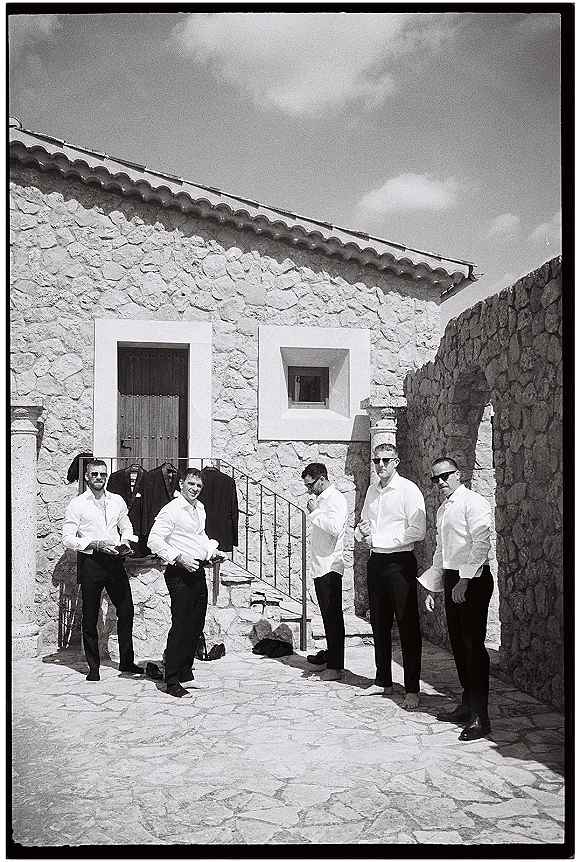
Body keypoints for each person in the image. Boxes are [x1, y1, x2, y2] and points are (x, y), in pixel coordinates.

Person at [419, 457, 493, 741]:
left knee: (473, 647)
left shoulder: (474, 502)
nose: (440, 482)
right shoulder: (443, 510)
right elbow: (442, 550)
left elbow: (481, 542)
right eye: (435, 479)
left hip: (472, 580)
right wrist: (433, 587)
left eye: (445, 476)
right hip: (453, 578)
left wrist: (464, 580)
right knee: (458, 646)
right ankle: (467, 704)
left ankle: (480, 717)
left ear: (457, 475)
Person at [354, 443, 426, 709]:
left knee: (407, 626)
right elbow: (364, 524)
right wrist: (361, 533)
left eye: (386, 460)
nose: (380, 465)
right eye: (377, 460)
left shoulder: (408, 490)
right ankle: (383, 680)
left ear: (396, 461)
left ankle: (412, 688)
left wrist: (380, 538)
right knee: (379, 624)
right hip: (376, 562)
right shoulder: (372, 491)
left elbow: (418, 530)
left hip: (400, 563)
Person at [62, 459, 144, 682]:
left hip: (115, 561)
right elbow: (67, 538)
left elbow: (126, 526)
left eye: (103, 474)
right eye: (95, 474)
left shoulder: (116, 500)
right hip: (92, 562)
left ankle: (127, 661)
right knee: (90, 616)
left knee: (126, 609)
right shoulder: (78, 504)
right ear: (87, 477)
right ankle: (93, 667)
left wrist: (126, 542)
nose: (99, 478)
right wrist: (94, 544)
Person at [148, 468, 221, 699]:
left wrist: (212, 551)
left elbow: (199, 537)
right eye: (191, 484)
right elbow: (154, 540)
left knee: (195, 625)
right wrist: (179, 557)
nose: (195, 489)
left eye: (198, 486)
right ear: (181, 484)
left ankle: (186, 674)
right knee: (180, 626)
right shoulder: (171, 510)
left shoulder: (199, 508)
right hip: (179, 573)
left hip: (197, 571)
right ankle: (171, 681)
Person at [301, 463, 349, 682]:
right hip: (321, 567)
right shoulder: (322, 500)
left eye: (310, 484)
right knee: (328, 617)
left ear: (321, 479)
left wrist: (315, 513)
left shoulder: (334, 499)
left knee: (333, 617)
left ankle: (335, 667)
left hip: (330, 567)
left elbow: (335, 527)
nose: (309, 489)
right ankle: (331, 657)